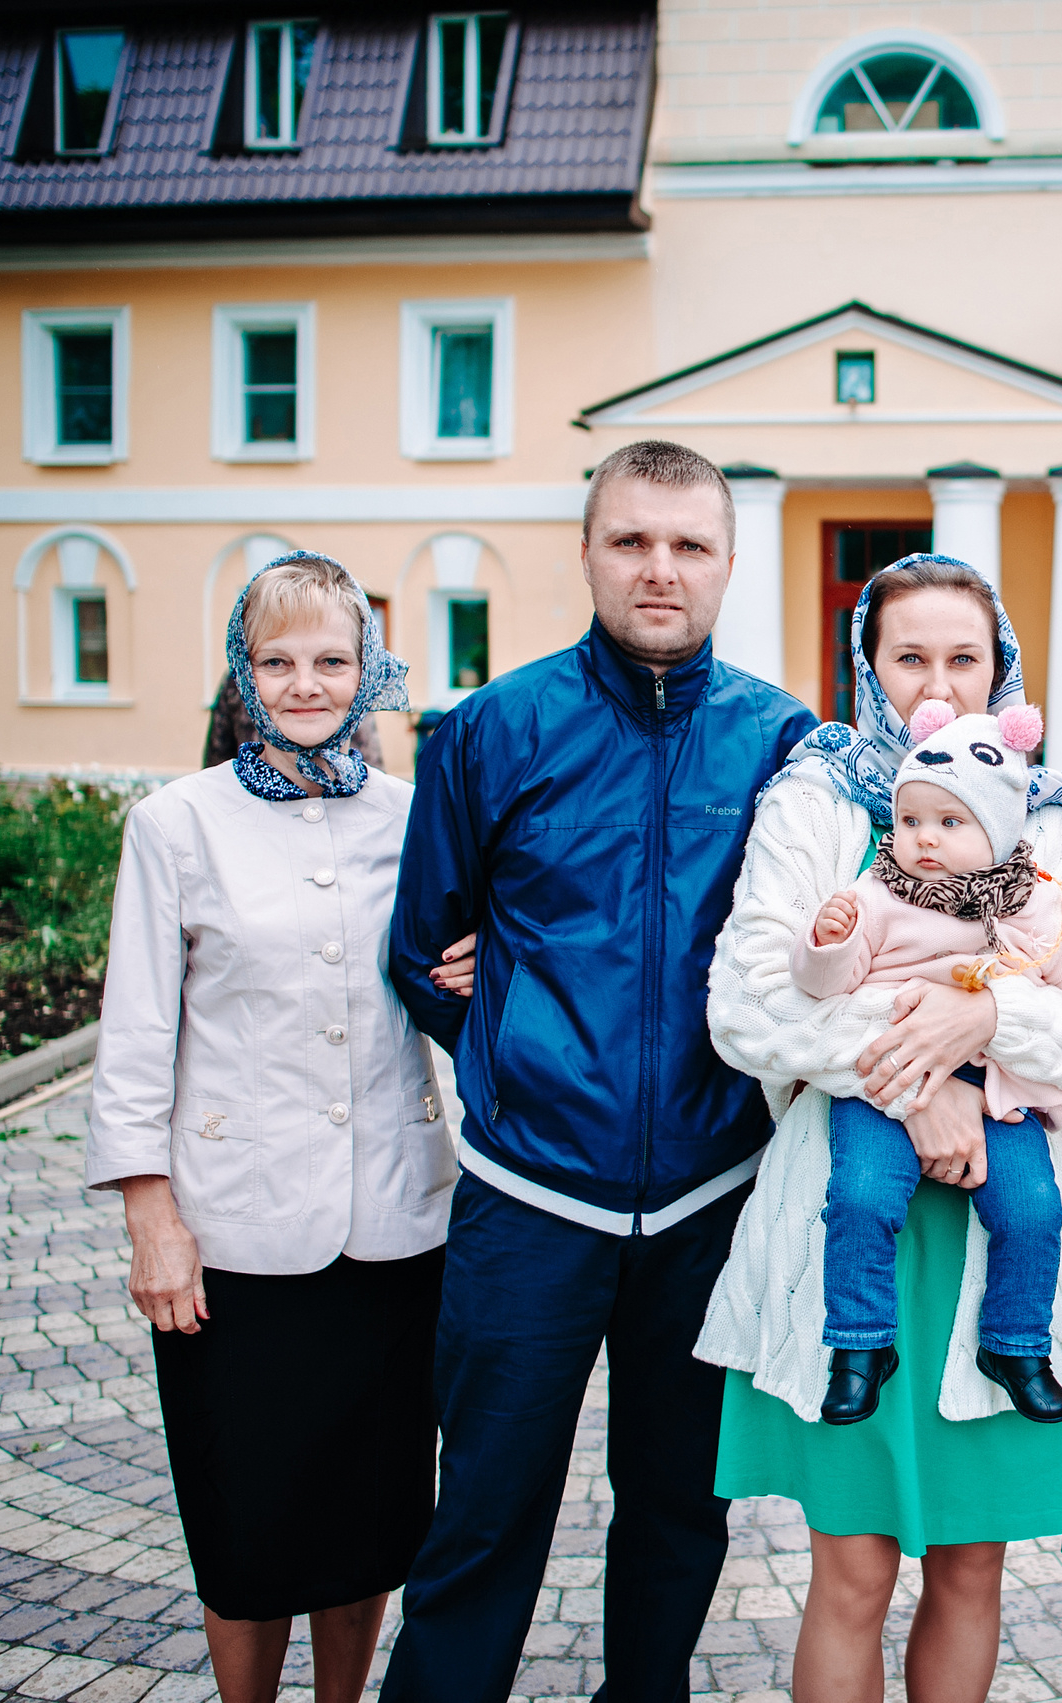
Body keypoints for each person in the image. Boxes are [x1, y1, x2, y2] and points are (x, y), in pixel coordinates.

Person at [380, 441, 818, 1703]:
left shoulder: (783, 743)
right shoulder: (490, 730)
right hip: (529, 1200)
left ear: (729, 562)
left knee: (681, 1509)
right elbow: (423, 951)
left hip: (709, 1196)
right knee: (483, 1511)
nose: (659, 568)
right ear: (586, 551)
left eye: (688, 544)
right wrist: (522, 1062)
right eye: (631, 540)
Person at [698, 554, 1062, 1703]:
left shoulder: (1045, 818)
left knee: (972, 1566)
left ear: (1002, 672)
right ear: (869, 670)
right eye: (909, 658)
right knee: (850, 1568)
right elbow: (750, 1002)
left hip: (1005, 1227)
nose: (937, 682)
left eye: (963, 658)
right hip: (852, 1211)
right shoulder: (817, 799)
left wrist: (978, 1017)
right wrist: (917, 1072)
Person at [89, 552, 454, 1703]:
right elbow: (138, 1028)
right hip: (234, 1238)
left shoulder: (417, 816)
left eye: (330, 659)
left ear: (368, 671)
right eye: (277, 660)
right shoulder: (174, 823)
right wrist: (153, 1218)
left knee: (370, 1519)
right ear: (243, 673)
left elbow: (451, 982)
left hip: (395, 1226)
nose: (305, 682)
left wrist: (479, 969)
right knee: (247, 1527)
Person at [790, 699, 1062, 1425]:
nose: (923, 839)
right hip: (887, 1086)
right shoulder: (881, 891)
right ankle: (858, 1343)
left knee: (1031, 1207)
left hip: (998, 1086)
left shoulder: (1034, 900)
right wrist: (827, 943)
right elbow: (825, 984)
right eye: (912, 819)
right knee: (859, 1196)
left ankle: (1015, 1341)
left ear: (997, 829)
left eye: (949, 823)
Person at [204, 647, 383, 769]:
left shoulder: (352, 690)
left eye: (332, 661)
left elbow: (368, 756)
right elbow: (218, 753)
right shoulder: (240, 679)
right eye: (275, 662)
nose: (304, 688)